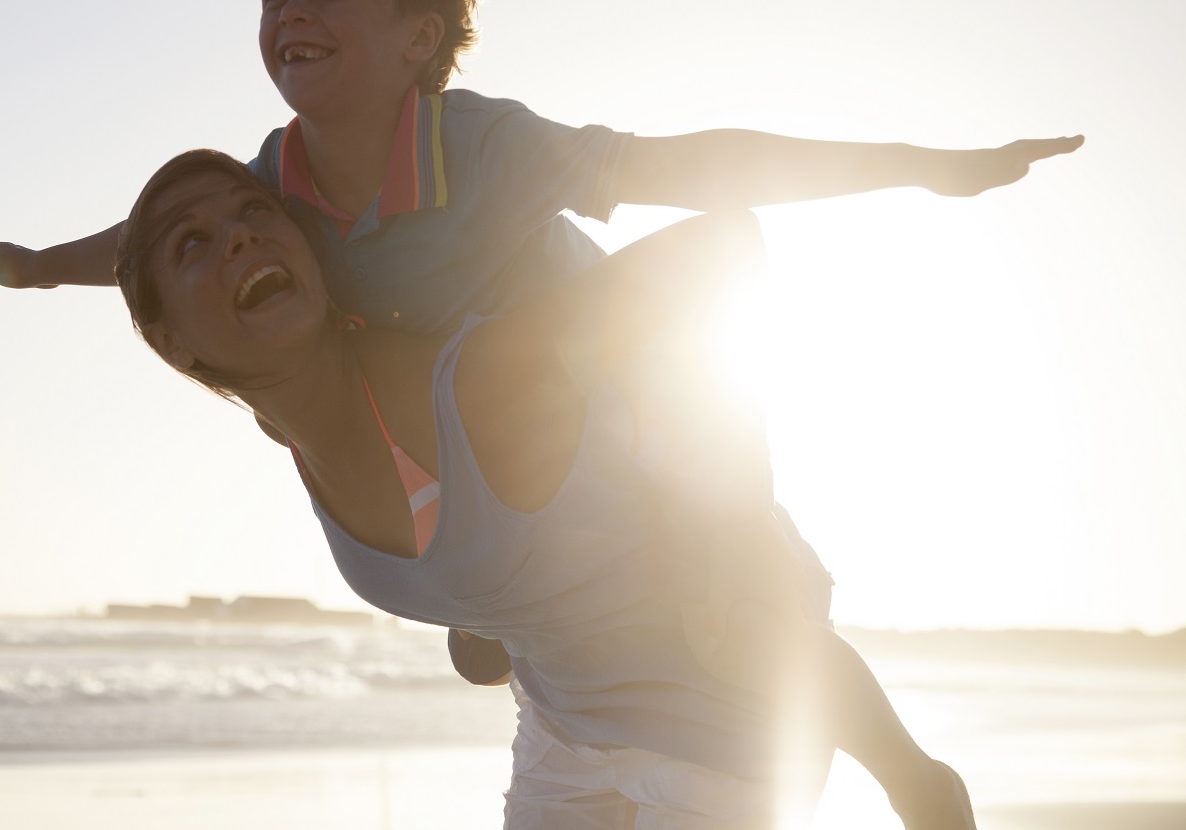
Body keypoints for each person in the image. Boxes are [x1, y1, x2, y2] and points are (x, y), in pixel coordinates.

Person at [0, 0, 1081, 824]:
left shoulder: (485, 149)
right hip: (495, 449)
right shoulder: (275, 185)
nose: (289, 11)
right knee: (482, 565)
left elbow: (689, 168)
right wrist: (35, 264)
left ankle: (910, 774)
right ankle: (494, 616)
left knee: (748, 594)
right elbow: (150, 245)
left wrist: (917, 162)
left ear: (416, 40)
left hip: (641, 386)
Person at [109, 149, 908, 826]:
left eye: (255, 210)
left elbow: (722, 246)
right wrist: (487, 612)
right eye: (195, 243)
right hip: (565, 728)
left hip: (712, 704)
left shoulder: (484, 389)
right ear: (168, 343)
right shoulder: (288, 425)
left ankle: (924, 782)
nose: (241, 234)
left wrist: (736, 536)